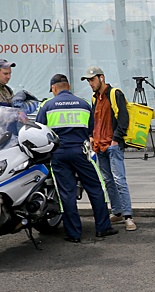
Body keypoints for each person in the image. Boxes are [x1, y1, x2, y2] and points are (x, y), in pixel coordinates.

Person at [35, 74, 118, 243]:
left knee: (66, 193)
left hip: (58, 153)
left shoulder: (47, 105)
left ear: (54, 88)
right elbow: (91, 130)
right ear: (69, 86)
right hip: (81, 151)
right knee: (95, 188)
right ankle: (103, 228)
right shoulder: (83, 104)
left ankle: (73, 234)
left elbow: (40, 131)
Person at [81, 66, 137, 231]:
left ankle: (128, 216)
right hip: (99, 145)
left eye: (92, 80)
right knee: (108, 181)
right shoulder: (94, 98)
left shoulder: (115, 94)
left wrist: (115, 140)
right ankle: (117, 211)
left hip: (112, 144)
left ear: (101, 78)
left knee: (120, 180)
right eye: (88, 80)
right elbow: (93, 119)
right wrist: (91, 136)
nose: (90, 83)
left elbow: (123, 119)